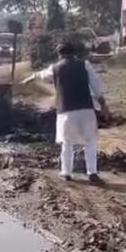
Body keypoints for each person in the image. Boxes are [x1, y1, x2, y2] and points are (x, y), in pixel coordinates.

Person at [23, 41, 108, 183]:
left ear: (59, 54)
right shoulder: (84, 65)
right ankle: (92, 172)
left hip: (66, 111)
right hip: (86, 109)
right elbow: (97, 87)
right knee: (90, 141)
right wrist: (104, 106)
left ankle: (66, 172)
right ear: (74, 52)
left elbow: (42, 75)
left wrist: (31, 77)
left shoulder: (56, 68)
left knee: (67, 142)